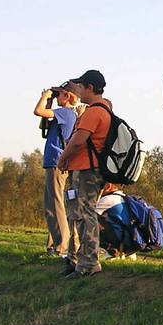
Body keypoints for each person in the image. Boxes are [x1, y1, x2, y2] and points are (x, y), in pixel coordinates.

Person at [57, 70, 111, 279]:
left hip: (86, 170)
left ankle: (89, 263)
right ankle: (80, 260)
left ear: (89, 88)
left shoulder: (93, 112)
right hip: (91, 169)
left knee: (85, 215)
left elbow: (79, 140)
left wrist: (63, 159)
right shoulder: (106, 108)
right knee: (81, 214)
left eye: (81, 86)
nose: (78, 90)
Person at [33, 81, 78, 258]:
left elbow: (38, 111)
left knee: (56, 204)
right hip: (54, 163)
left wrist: (44, 96)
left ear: (67, 96)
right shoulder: (61, 114)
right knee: (50, 205)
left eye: (58, 94)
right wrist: (50, 103)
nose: (55, 96)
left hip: (56, 163)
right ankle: (53, 246)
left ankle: (61, 247)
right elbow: (42, 125)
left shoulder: (66, 113)